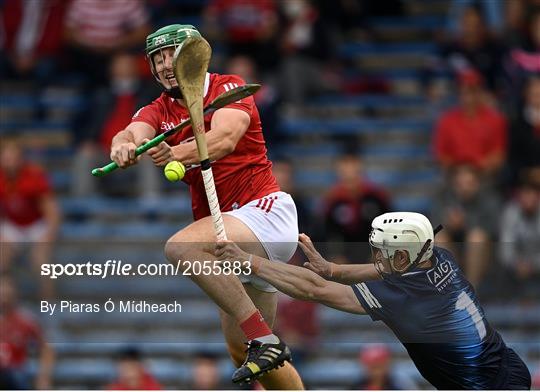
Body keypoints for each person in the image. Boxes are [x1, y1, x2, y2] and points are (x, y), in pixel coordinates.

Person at [108, 25, 303, 387]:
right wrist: (122, 145)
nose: (166, 65)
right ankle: (265, 345)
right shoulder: (158, 109)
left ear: (193, 55)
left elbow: (225, 138)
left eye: (172, 55)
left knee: (179, 247)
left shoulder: (227, 87)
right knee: (245, 354)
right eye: (158, 59)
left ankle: (265, 338)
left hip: (263, 213)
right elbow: (133, 132)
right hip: (229, 234)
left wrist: (175, 153)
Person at [216, 212, 532, 389]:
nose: (378, 256)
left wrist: (251, 261)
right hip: (508, 369)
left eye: (385, 250)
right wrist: (333, 269)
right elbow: (385, 272)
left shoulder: (402, 298)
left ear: (405, 255)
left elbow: (315, 290)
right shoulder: (438, 257)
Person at [0, 140, 60, 298]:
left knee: (42, 264)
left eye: (13, 158)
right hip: (12, 225)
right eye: (6, 158)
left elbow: (51, 210)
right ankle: (7, 305)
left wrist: (49, 234)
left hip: (36, 225)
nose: (10, 162)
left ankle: (49, 305)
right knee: (2, 258)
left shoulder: (33, 176)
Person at [431, 165, 500, 289]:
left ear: (477, 183)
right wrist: (448, 224)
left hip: (484, 252)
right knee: (439, 238)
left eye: (469, 183)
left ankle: (472, 288)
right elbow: (433, 227)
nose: (464, 188)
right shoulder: (443, 198)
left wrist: (465, 224)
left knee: (476, 237)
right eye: (459, 184)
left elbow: (493, 228)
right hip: (453, 248)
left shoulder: (489, 199)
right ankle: (452, 288)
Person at [433, 69, 507, 177]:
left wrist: (476, 171)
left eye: (473, 91)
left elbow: (499, 154)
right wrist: (461, 171)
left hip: (485, 176)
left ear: (480, 92)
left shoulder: (496, 120)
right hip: (455, 178)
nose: (468, 97)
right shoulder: (446, 120)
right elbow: (440, 154)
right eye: (464, 92)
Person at [0, 275, 55, 389]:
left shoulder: (26, 321)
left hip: (14, 374)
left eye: (7, 294)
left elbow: (46, 348)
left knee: (15, 377)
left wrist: (43, 376)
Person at [499, 174, 540, 300]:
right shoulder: (510, 212)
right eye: (524, 194)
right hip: (514, 270)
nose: (527, 198)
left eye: (531, 193)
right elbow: (505, 248)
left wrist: (532, 265)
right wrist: (516, 263)